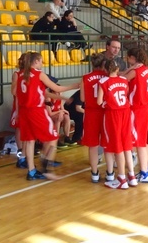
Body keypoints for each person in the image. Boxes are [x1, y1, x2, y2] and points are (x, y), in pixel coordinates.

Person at [16, 52, 78, 180]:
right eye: (41, 61)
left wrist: (62, 98)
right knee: (53, 137)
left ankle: (31, 171)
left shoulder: (21, 74)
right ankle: (46, 166)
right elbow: (57, 88)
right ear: (36, 61)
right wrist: (74, 86)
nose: (42, 63)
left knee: (30, 141)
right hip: (36, 110)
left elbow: (42, 93)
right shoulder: (39, 74)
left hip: (24, 111)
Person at [97, 59, 133, 189]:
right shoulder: (124, 80)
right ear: (118, 69)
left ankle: (121, 178)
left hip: (113, 114)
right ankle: (131, 176)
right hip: (126, 112)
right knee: (126, 145)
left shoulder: (103, 81)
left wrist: (106, 103)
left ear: (106, 69)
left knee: (117, 146)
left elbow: (99, 101)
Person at [123, 47, 148, 183]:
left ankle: (144, 173)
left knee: (139, 143)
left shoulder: (135, 71)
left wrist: (130, 69)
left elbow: (119, 79)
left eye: (128, 57)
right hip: (145, 107)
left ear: (132, 58)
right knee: (143, 141)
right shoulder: (147, 70)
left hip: (136, 109)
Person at [80, 53, 108, 183]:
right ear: (103, 64)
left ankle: (94, 173)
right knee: (107, 143)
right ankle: (110, 172)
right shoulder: (107, 76)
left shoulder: (85, 77)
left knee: (93, 145)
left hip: (91, 113)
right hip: (105, 112)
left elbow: (82, 99)